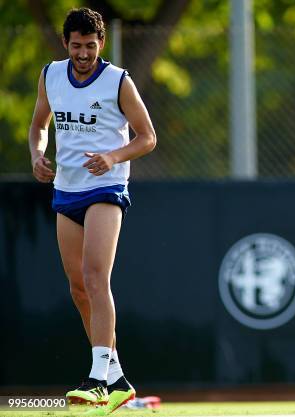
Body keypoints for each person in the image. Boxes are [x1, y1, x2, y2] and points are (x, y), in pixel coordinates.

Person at [28, 7, 156, 416]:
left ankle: (98, 378)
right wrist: (37, 153)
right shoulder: (50, 75)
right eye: (77, 45)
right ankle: (117, 379)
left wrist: (112, 155)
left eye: (91, 45)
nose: (84, 53)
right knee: (77, 287)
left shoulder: (118, 81)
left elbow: (148, 137)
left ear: (101, 43)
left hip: (106, 185)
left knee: (96, 276)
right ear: (66, 43)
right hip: (67, 189)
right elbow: (38, 124)